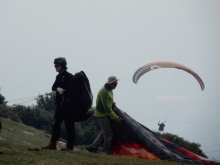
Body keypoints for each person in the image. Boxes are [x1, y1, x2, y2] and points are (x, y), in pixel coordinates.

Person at [42, 57, 75, 151]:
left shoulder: (69, 76)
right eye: (55, 65)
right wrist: (57, 90)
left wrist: (62, 92)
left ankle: (70, 146)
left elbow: (70, 91)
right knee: (56, 123)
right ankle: (52, 144)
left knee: (69, 125)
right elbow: (54, 87)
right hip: (60, 104)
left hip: (68, 105)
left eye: (57, 65)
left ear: (63, 66)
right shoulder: (58, 76)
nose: (55, 67)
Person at [85, 76, 123, 155]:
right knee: (108, 134)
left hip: (105, 113)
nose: (116, 84)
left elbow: (108, 101)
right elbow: (107, 108)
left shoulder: (110, 90)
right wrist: (117, 118)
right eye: (115, 83)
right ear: (111, 83)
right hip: (101, 114)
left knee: (105, 132)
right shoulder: (104, 92)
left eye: (116, 83)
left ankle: (92, 147)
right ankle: (109, 152)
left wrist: (111, 102)